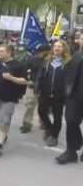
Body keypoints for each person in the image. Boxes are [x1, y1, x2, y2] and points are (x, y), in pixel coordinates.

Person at [0, 44, 28, 157]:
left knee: (4, 120)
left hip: (9, 99)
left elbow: (25, 81)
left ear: (9, 53)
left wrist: (11, 78)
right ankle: (3, 134)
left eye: (1, 51)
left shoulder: (19, 65)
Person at [36, 40, 70, 147]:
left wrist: (67, 93)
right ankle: (50, 128)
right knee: (41, 111)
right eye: (55, 46)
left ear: (64, 49)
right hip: (45, 93)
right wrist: (37, 88)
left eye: (60, 46)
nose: (57, 48)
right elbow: (40, 75)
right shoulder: (47, 61)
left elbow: (70, 79)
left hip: (59, 95)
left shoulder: (68, 62)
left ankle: (54, 136)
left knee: (57, 116)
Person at [55, 33, 83, 164]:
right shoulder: (76, 55)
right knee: (71, 121)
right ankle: (71, 151)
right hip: (74, 95)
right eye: (81, 38)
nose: (80, 40)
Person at [19, 44, 51, 133]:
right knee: (32, 106)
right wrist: (28, 79)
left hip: (40, 86)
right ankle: (29, 124)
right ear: (46, 51)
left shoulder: (48, 61)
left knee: (35, 106)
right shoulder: (35, 59)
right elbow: (25, 70)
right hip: (34, 85)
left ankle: (30, 124)